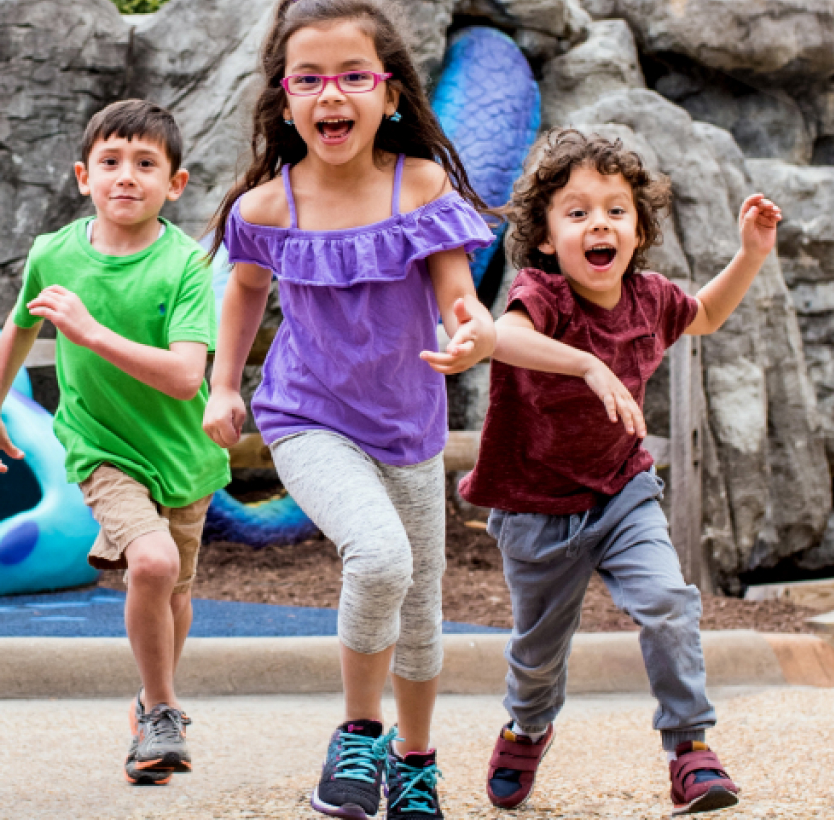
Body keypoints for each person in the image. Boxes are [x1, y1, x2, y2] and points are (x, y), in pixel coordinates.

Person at [204, 1, 496, 816]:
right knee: (380, 558)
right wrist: (226, 386)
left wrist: (472, 330)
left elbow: (456, 292)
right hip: (307, 417)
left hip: (407, 426)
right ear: (285, 101)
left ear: (390, 94)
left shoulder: (421, 186)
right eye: (309, 80)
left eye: (352, 77)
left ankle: (416, 759)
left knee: (422, 604)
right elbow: (245, 295)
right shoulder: (267, 206)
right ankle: (359, 736)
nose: (331, 95)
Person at [460, 128, 782, 816]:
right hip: (535, 504)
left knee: (668, 602)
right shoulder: (541, 294)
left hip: (622, 491)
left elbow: (709, 315)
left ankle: (690, 750)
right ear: (546, 238)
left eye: (615, 210)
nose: (597, 223)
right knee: (539, 652)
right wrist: (583, 361)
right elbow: (501, 336)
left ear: (638, 230)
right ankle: (527, 724)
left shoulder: (653, 298)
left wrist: (749, 254)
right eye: (576, 213)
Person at [0, 99, 230, 786]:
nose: (127, 177)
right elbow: (18, 330)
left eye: (146, 164)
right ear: (83, 176)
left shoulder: (185, 267)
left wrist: (89, 333)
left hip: (183, 453)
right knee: (149, 566)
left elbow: (184, 377)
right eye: (111, 162)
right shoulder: (54, 254)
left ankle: (151, 707)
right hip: (102, 446)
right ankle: (166, 709)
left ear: (174, 184)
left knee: (174, 589)